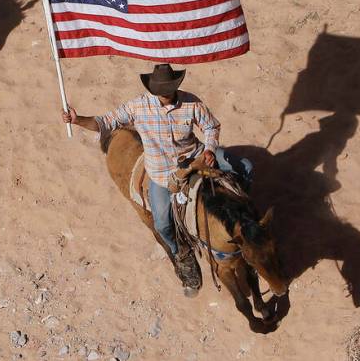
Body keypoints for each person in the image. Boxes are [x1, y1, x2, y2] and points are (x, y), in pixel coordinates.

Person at [62, 63, 253, 295]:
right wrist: (77, 119)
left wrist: (210, 150)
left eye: (170, 88)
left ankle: (246, 217)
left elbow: (211, 126)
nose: (166, 93)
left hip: (195, 156)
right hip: (162, 174)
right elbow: (105, 122)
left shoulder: (191, 102)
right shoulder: (138, 107)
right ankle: (183, 257)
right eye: (162, 89)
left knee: (246, 167)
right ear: (152, 89)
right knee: (162, 224)